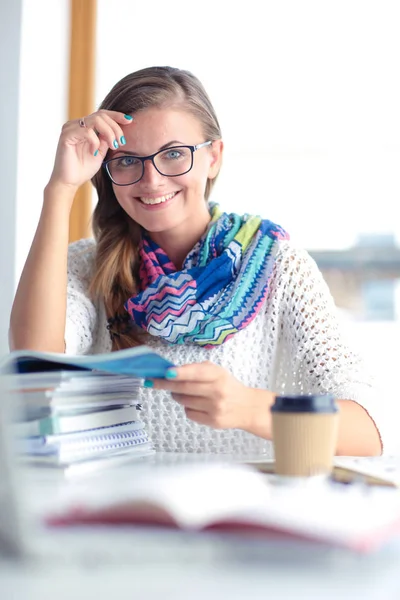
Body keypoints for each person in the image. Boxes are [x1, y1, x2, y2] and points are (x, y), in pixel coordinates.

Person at [10, 66, 384, 457]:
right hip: (118, 513)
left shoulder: (279, 266)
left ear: (214, 157)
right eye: (127, 161)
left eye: (173, 154)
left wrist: (249, 408)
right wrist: (60, 188)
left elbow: (370, 429)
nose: (151, 180)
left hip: (241, 512)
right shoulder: (87, 265)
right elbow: (34, 364)